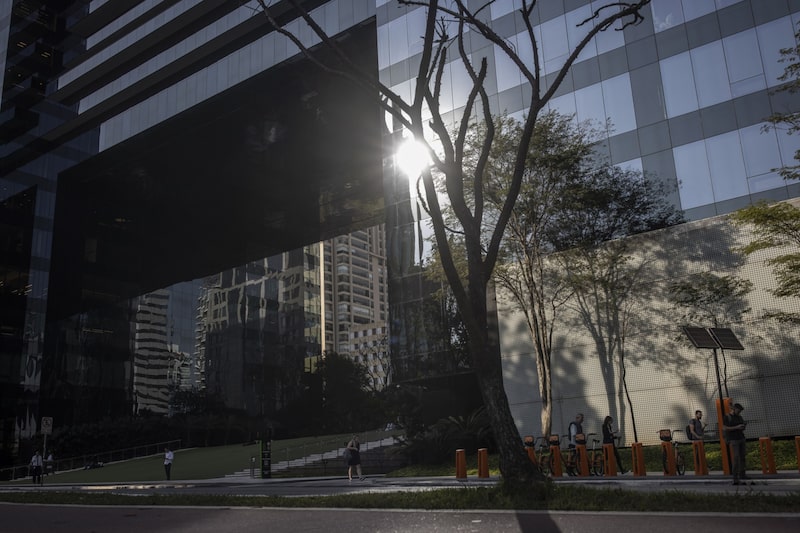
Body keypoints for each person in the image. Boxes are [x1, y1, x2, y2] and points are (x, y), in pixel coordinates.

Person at [724, 402, 747, 485]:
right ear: (734, 409)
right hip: (734, 439)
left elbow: (742, 425)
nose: (739, 412)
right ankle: (735, 477)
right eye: (739, 410)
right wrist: (736, 427)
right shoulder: (727, 417)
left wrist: (743, 426)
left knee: (742, 457)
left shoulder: (739, 417)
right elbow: (725, 428)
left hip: (741, 437)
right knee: (736, 457)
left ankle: (742, 474)